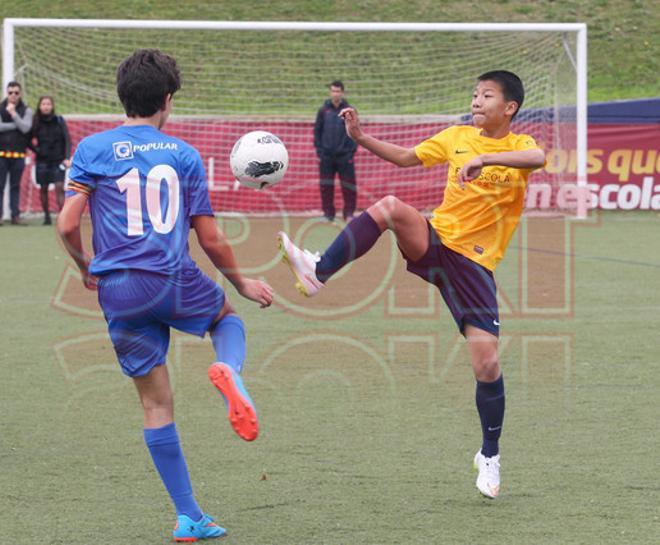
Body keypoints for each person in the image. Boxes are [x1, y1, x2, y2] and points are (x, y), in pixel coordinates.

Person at [279, 70, 545, 500]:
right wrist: (360, 137)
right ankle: (318, 270)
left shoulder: (520, 146)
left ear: (509, 108)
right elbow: (406, 158)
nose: (477, 101)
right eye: (475, 94)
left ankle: (490, 455)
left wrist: (485, 160)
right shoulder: (458, 135)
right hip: (436, 241)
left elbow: (538, 161)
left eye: (487, 96)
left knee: (487, 366)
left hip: (474, 266)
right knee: (389, 208)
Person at [57, 49, 273, 542]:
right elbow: (211, 238)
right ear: (168, 101)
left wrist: (86, 265)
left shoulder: (92, 148)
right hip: (172, 277)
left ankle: (187, 516)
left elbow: (68, 223)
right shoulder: (183, 156)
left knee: (156, 407)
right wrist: (241, 282)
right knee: (226, 321)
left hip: (118, 290)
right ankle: (230, 373)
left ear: (121, 97)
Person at [314, 80, 358, 222]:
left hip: (345, 156)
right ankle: (328, 214)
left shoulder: (349, 110)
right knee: (326, 186)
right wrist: (320, 151)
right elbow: (317, 131)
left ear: (342, 93)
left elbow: (355, 131)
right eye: (333, 91)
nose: (335, 94)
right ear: (330, 92)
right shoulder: (323, 110)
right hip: (326, 156)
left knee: (348, 186)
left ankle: (349, 213)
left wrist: (350, 151)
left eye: (338, 91)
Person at [30, 96, 71, 225]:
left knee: (59, 187)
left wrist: (67, 157)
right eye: (43, 104)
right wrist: (37, 151)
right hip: (42, 161)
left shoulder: (59, 120)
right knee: (43, 188)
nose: (46, 106)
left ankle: (63, 217)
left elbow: (67, 140)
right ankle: (47, 217)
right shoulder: (35, 121)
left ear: (52, 106)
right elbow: (27, 139)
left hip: (58, 160)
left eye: (48, 104)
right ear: (39, 106)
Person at [0, 81, 33, 225]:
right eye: (10, 92)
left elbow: (26, 128)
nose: (13, 95)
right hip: (1, 154)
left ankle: (15, 216)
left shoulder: (26, 110)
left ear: (20, 94)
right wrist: (16, 125)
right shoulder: (0, 107)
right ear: (6, 93)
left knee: (15, 186)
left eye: (16, 93)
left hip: (19, 155)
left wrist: (13, 114)